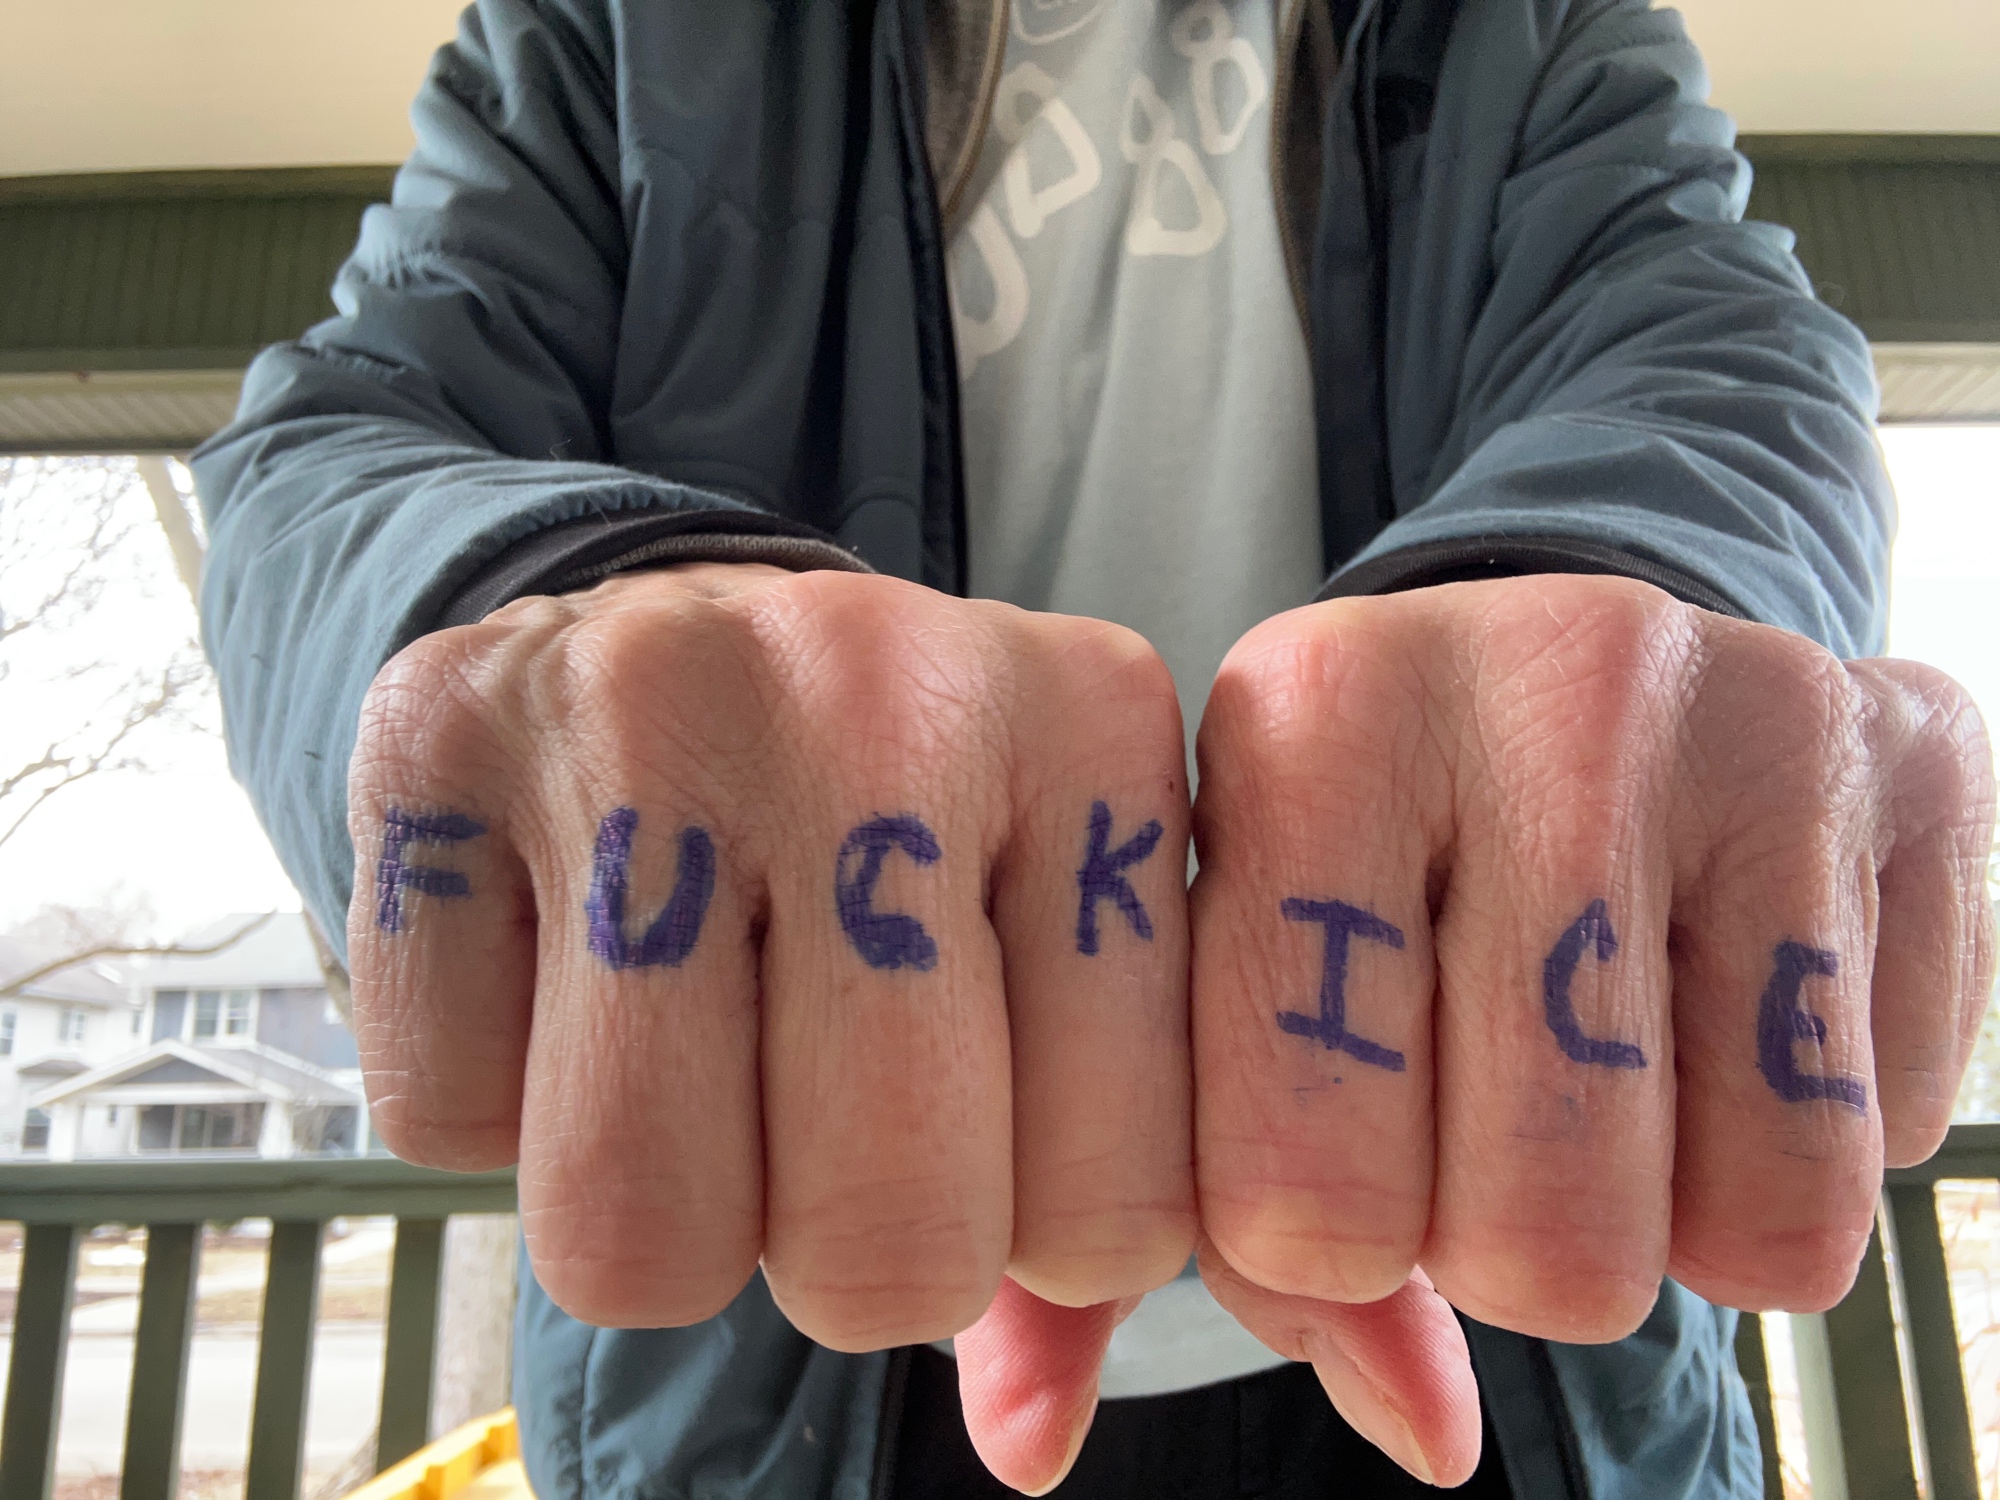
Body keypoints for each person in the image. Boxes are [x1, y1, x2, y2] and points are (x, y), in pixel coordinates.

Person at [191, 0, 1995, 1495]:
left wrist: (1633, 600)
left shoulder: (1527, 22)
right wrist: (560, 610)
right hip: (792, 1354)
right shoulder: (614, 28)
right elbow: (339, 450)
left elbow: (1726, 360)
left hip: (1505, 1331)